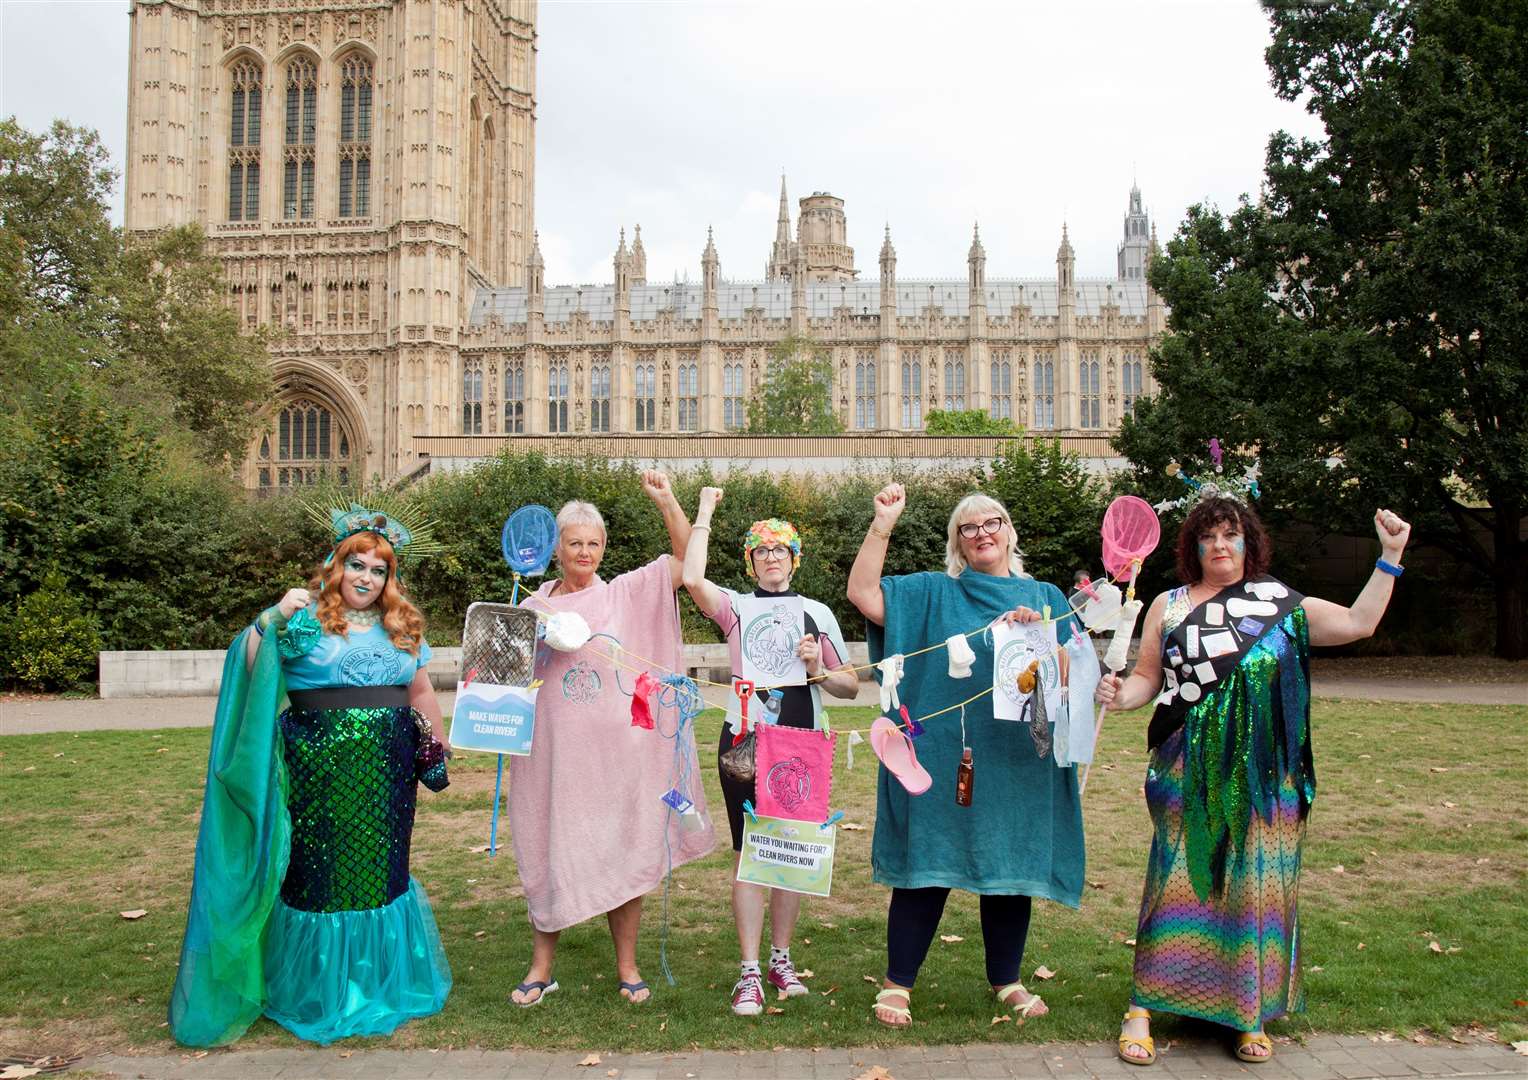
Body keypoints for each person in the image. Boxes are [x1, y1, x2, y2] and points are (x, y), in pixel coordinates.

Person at [1096, 496, 1411, 1066]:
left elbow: (1359, 624)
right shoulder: (1167, 606)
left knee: (1257, 888)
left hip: (1268, 778)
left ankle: (1247, 1012)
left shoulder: (1282, 604)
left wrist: (1389, 556)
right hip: (1185, 765)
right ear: (1193, 546)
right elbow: (1147, 679)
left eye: (1231, 535)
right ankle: (1143, 1005)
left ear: (1249, 543)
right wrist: (1121, 697)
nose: (1220, 545)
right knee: (1177, 878)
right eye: (1209, 536)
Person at [169, 502, 452, 1047]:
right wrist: (269, 618)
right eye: (357, 565)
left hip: (386, 776)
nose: (366, 578)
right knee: (319, 878)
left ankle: (377, 984)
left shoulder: (403, 625)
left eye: (378, 569)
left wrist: (436, 744)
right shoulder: (301, 620)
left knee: (381, 874)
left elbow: (418, 691)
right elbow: (249, 665)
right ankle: (320, 990)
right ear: (335, 565)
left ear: (389, 578)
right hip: (317, 773)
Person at [847, 483, 1085, 1028]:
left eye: (991, 522)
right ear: (958, 542)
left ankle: (1007, 979)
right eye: (969, 527)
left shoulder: (1047, 596)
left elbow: (1069, 676)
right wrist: (883, 522)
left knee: (1009, 866)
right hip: (941, 758)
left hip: (1019, 761)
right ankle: (897, 983)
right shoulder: (933, 592)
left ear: (1009, 532)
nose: (982, 533)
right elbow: (863, 594)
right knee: (926, 866)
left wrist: (1041, 637)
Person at [507, 471, 714, 1007]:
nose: (585, 552)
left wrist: (668, 499)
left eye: (594, 543)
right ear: (557, 548)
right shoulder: (532, 608)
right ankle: (541, 967)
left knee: (625, 855)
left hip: (619, 762)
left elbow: (687, 558)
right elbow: (504, 680)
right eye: (574, 542)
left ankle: (627, 966)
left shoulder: (626, 593)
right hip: (552, 762)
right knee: (548, 849)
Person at [681, 487, 861, 1016]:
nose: (772, 557)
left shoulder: (816, 613)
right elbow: (692, 579)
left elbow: (849, 686)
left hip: (802, 739)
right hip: (745, 738)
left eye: (781, 549)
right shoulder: (735, 608)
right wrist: (706, 512)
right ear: (751, 560)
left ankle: (782, 960)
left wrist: (815, 668)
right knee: (748, 857)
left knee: (791, 853)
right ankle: (750, 972)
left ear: (795, 558)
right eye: (762, 550)